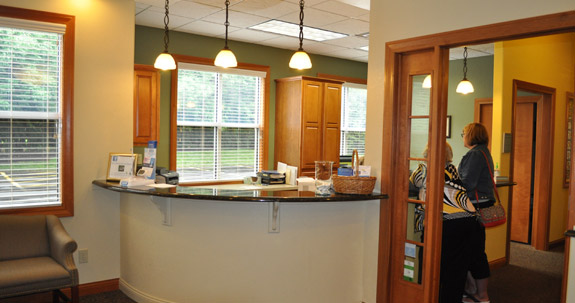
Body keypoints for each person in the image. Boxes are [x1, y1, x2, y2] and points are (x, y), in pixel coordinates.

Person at [410, 142, 478, 303]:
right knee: (456, 265)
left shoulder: (424, 168)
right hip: (466, 219)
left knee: (429, 261)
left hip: (441, 220)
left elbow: (411, 184)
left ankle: (427, 297)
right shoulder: (452, 168)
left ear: (427, 154)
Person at [458, 122, 495, 303]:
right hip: (481, 205)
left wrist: (450, 184)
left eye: (463, 133)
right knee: (473, 249)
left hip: (475, 208)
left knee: (475, 251)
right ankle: (473, 290)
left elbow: (467, 183)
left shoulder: (474, 154)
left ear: (471, 135)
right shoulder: (483, 152)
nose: (462, 136)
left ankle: (482, 296)